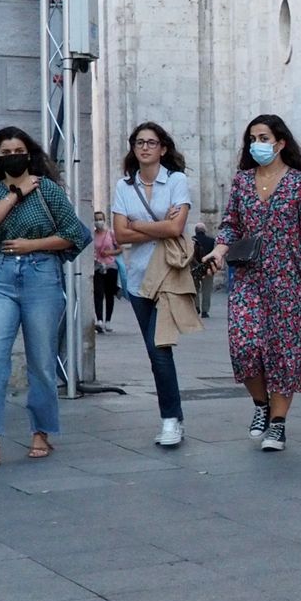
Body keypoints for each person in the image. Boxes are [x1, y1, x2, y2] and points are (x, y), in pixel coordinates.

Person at [201, 115, 301, 451]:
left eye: (264, 137)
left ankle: (278, 424)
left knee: (284, 352)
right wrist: (217, 251)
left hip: (289, 277)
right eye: (253, 138)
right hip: (248, 275)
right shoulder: (242, 182)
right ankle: (261, 404)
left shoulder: (300, 183)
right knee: (244, 346)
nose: (257, 143)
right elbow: (230, 224)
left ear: (280, 142)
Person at [0, 126, 90, 467]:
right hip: (2, 278)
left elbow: (73, 234)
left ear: (29, 153)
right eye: (5, 153)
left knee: (41, 360)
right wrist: (15, 194)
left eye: (18, 150)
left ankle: (41, 432)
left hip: (41, 276)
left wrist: (33, 244)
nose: (12, 156)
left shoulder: (47, 188)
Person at [110, 122, 197, 448]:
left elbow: (177, 228)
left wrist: (140, 225)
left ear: (163, 148)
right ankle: (175, 417)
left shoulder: (176, 180)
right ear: (133, 149)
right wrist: (159, 226)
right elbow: (120, 235)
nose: (145, 147)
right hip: (137, 280)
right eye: (139, 142)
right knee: (153, 351)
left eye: (152, 142)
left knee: (160, 349)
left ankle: (170, 420)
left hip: (168, 277)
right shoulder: (124, 186)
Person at [91, 218, 120, 332]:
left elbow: (120, 249)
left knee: (109, 294)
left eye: (100, 219)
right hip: (97, 266)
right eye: (96, 219)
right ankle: (99, 320)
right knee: (98, 292)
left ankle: (108, 321)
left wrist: (108, 253)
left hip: (111, 266)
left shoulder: (111, 233)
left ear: (104, 220)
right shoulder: (93, 235)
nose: (99, 221)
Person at [190, 222, 217, 318]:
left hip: (195, 268)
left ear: (195, 231)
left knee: (195, 289)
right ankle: (205, 311)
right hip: (207, 268)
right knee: (207, 290)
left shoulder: (191, 241)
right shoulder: (211, 240)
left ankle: (196, 307)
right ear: (204, 231)